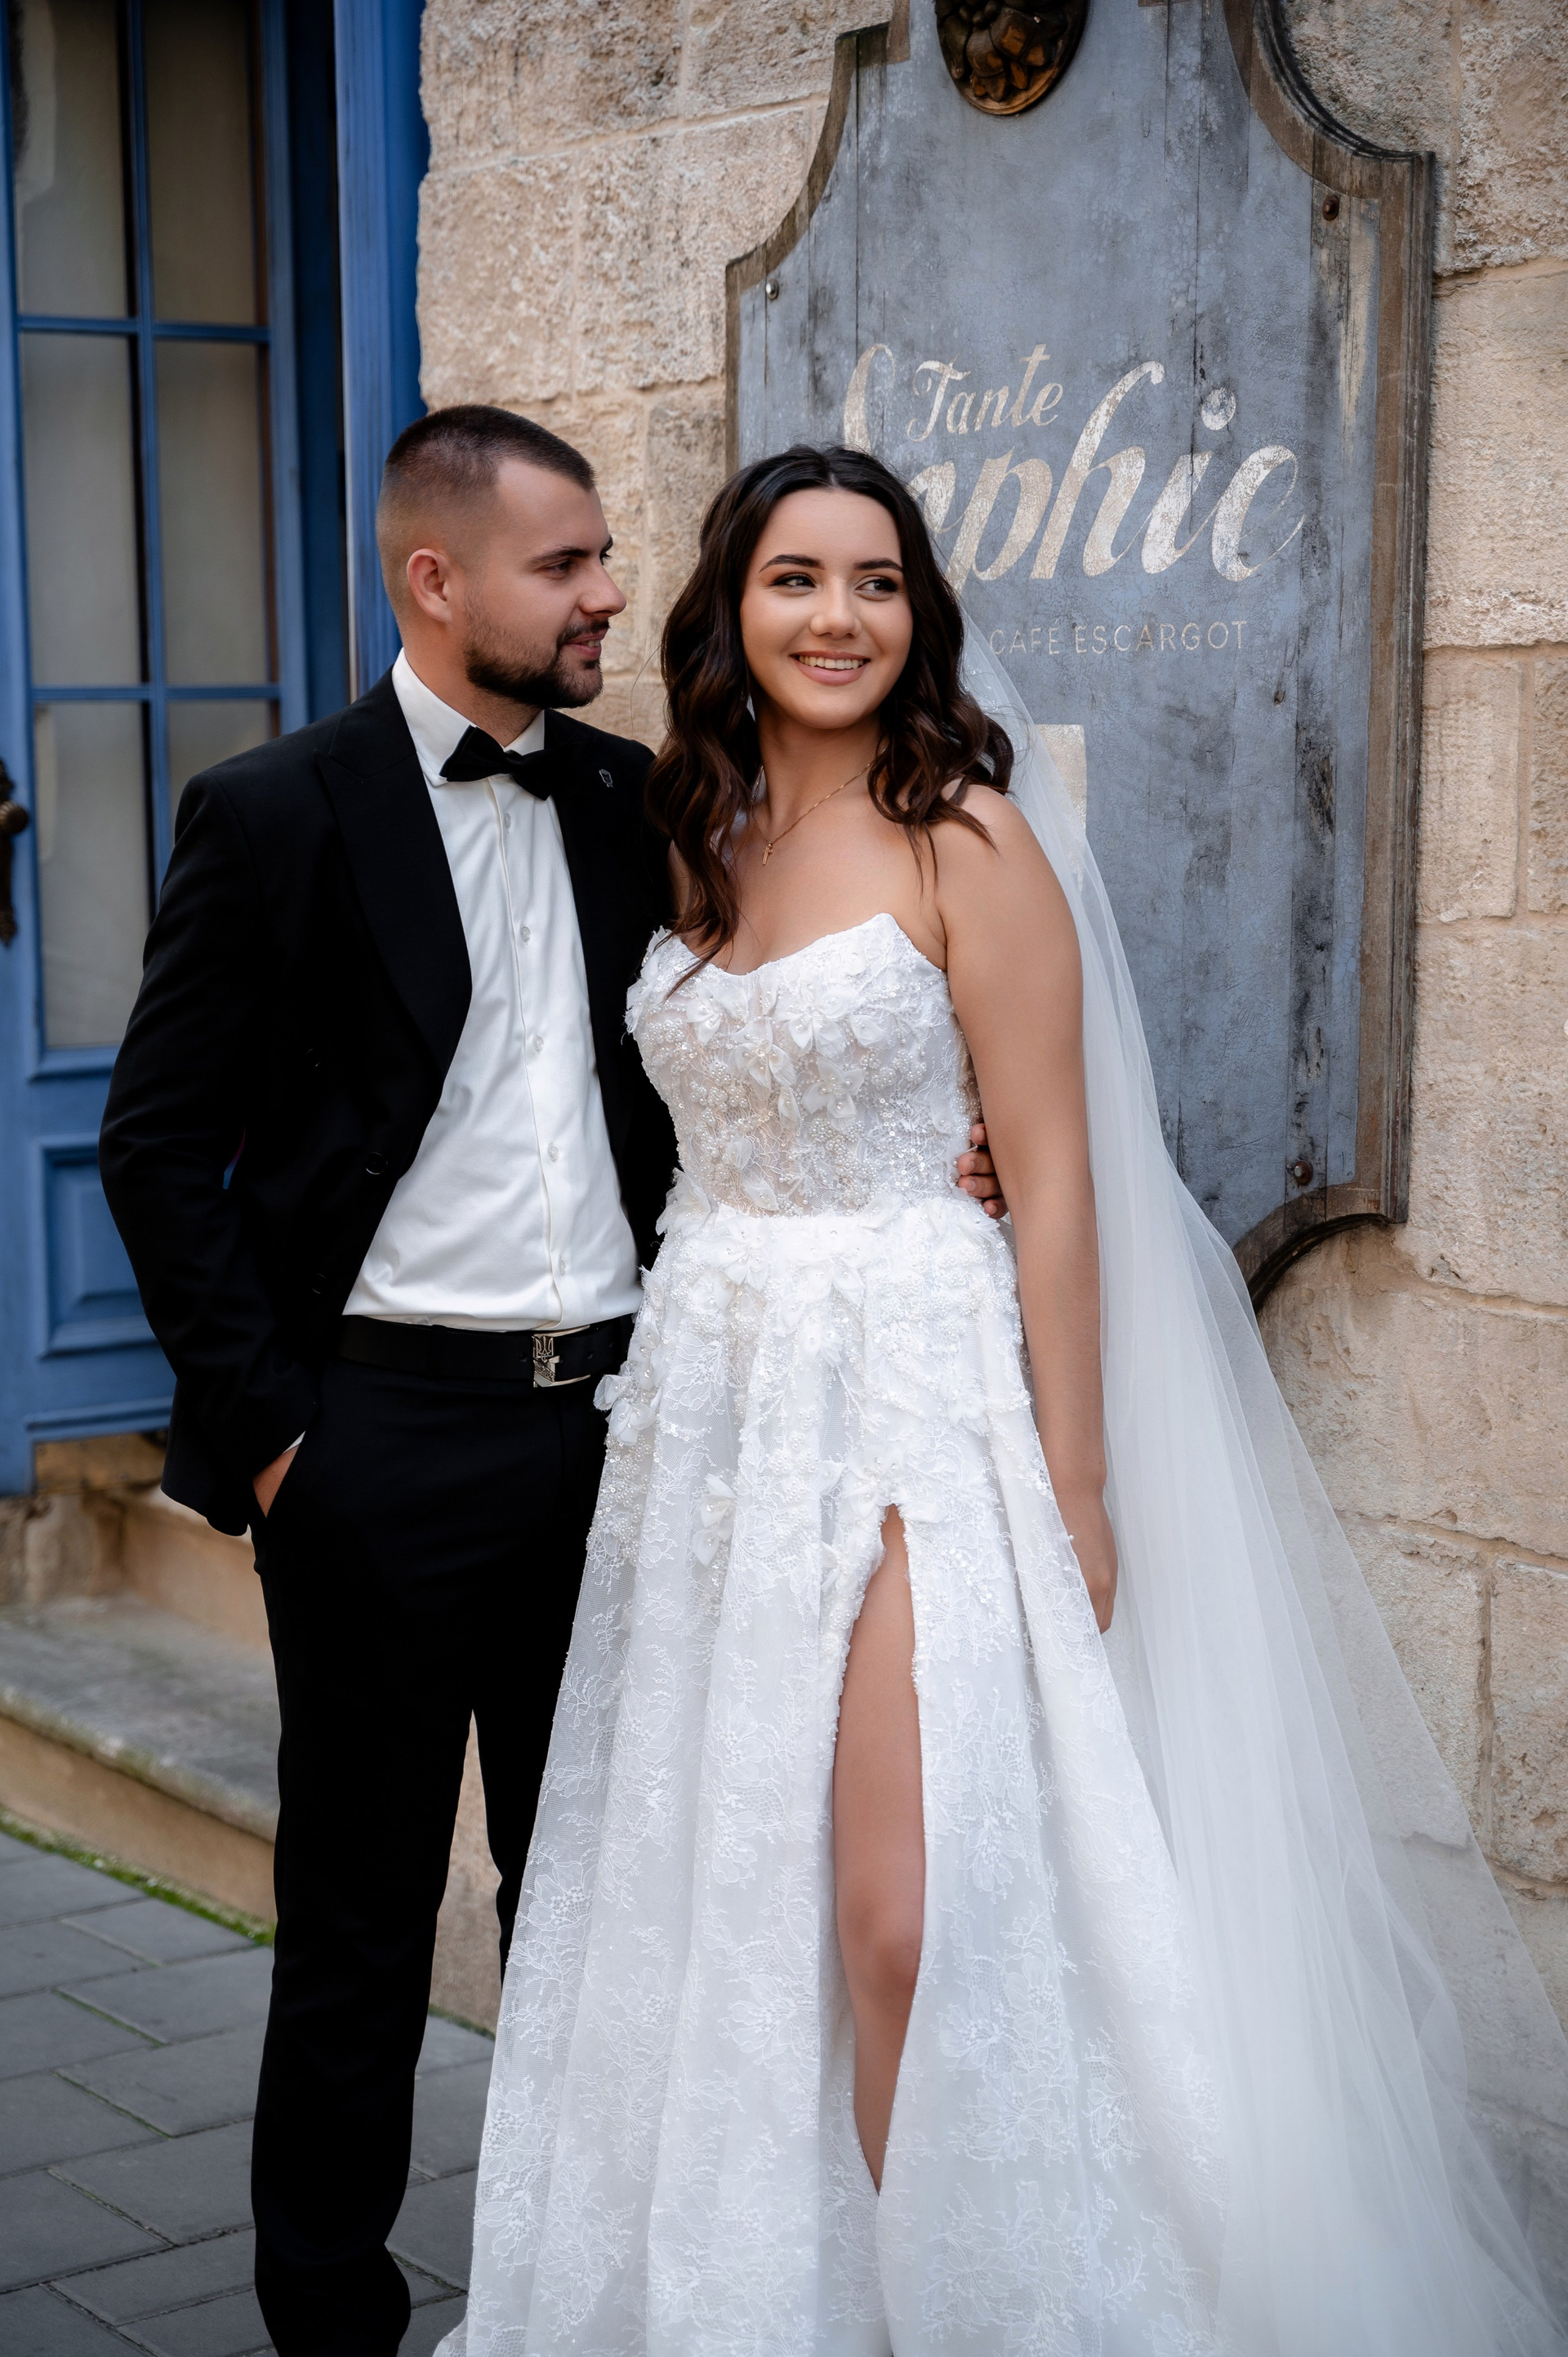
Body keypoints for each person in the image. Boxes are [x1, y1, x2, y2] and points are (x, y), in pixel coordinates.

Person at [451, 444, 1568, 2357]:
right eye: (797, 579)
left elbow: (1052, 1182)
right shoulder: (688, 832)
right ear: (729, 607)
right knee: (733, 1891)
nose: (839, 617)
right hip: (712, 1410)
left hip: (917, 1397)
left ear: (921, 615)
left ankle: (960, 2312)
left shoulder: (964, 834)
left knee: (903, 1915)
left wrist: (1079, 1476)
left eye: (877, 582)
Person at [96, 399, 1012, 2356]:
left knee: (606, 1899)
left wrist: (955, 1150)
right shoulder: (274, 814)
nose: (608, 592)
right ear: (438, 581)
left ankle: (574, 2294)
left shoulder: (646, 804)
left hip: (627, 1430)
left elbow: (752, 1055)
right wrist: (276, 1438)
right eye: (567, 563)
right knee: (356, 1924)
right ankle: (331, 2320)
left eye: (605, 557)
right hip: (374, 1442)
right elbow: (158, 1148)